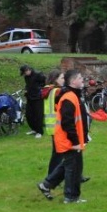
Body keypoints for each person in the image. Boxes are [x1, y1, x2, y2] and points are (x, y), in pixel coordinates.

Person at [37, 70, 90, 204]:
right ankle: (70, 197)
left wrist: (83, 138)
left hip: (72, 139)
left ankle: (46, 185)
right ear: (73, 81)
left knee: (69, 164)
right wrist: (75, 142)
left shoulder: (72, 95)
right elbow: (67, 123)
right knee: (73, 169)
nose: (82, 79)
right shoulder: (69, 97)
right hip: (69, 140)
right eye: (80, 77)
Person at [21, 65, 47, 138]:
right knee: (29, 115)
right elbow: (28, 85)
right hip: (29, 97)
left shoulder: (38, 74)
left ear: (28, 70)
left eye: (25, 72)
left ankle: (40, 132)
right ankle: (34, 129)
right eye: (24, 73)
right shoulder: (26, 77)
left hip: (38, 97)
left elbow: (45, 82)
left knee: (38, 115)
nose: (25, 74)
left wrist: (39, 89)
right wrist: (26, 90)